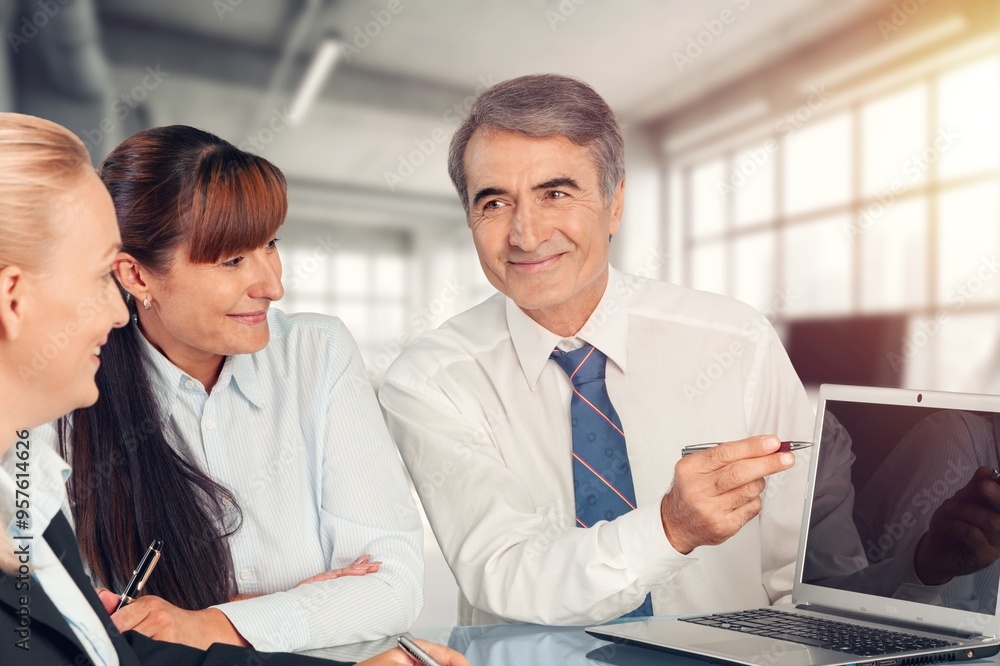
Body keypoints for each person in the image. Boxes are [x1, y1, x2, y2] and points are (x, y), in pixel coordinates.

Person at [0, 113, 466, 665]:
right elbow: (91, 631)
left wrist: (212, 621)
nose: (273, 284)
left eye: (271, 244)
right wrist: (297, 604)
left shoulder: (316, 353)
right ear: (136, 276)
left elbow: (392, 587)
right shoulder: (65, 387)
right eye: (232, 260)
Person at [378, 74, 815, 625]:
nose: (526, 235)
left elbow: (799, 568)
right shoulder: (429, 380)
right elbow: (505, 572)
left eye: (555, 194)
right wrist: (670, 529)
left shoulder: (737, 342)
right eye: (494, 202)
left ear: (614, 205)